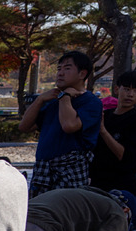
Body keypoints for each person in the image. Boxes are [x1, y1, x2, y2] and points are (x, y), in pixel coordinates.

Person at [19, 51, 102, 197]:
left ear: (82, 74)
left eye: (67, 68)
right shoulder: (51, 100)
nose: (60, 73)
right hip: (44, 168)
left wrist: (65, 97)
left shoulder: (91, 102)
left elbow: (69, 126)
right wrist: (39, 100)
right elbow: (24, 127)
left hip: (71, 169)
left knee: (67, 208)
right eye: (59, 69)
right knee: (39, 209)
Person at [90, 70, 136, 194]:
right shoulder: (105, 115)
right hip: (95, 183)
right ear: (117, 89)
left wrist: (103, 131)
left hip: (120, 187)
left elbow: (126, 157)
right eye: (127, 89)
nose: (130, 94)